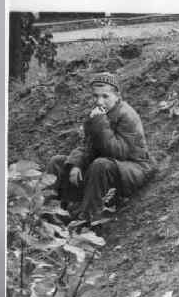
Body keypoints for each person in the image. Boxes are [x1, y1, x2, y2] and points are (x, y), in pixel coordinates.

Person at [47, 72, 154, 222]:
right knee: (57, 162)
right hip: (108, 166)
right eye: (95, 96)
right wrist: (76, 164)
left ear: (117, 96)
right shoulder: (100, 114)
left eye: (105, 96)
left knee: (100, 164)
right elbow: (87, 145)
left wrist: (99, 123)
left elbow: (119, 152)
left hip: (134, 167)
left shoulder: (127, 115)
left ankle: (88, 218)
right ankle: (49, 213)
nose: (99, 101)